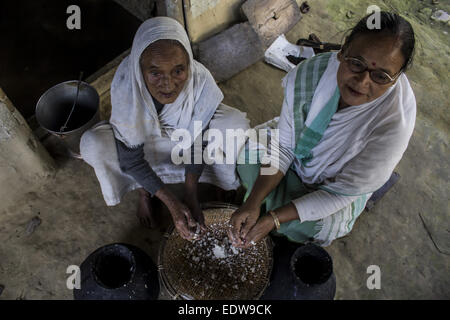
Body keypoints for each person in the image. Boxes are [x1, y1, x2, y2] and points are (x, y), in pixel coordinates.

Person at [229, 12, 417, 248]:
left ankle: (281, 213)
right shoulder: (310, 77)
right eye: (356, 63)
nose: (361, 82)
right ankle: (267, 204)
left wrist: (273, 219)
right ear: (343, 51)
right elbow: (285, 146)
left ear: (396, 78)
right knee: (246, 160)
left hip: (336, 189)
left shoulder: (393, 125)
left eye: (381, 76)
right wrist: (253, 203)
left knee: (310, 224)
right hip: (293, 158)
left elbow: (338, 194)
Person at [80, 17, 250, 240]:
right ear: (139, 69)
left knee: (234, 125)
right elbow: (131, 158)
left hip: (184, 138)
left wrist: (190, 195)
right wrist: (172, 204)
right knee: (92, 145)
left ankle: (219, 180)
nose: (168, 85)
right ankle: (144, 191)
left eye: (178, 71)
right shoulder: (126, 83)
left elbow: (198, 141)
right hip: (142, 140)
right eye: (155, 73)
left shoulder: (199, 82)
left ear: (189, 64)